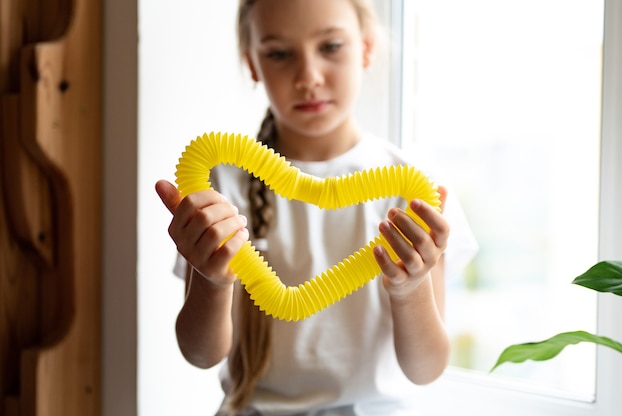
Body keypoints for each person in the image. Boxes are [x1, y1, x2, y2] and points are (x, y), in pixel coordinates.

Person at [155, 0, 478, 414]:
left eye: (330, 47)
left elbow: (426, 368)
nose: (308, 77)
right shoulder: (225, 184)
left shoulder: (415, 191)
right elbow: (201, 353)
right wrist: (212, 282)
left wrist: (409, 288)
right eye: (278, 53)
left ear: (365, 49)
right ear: (252, 64)